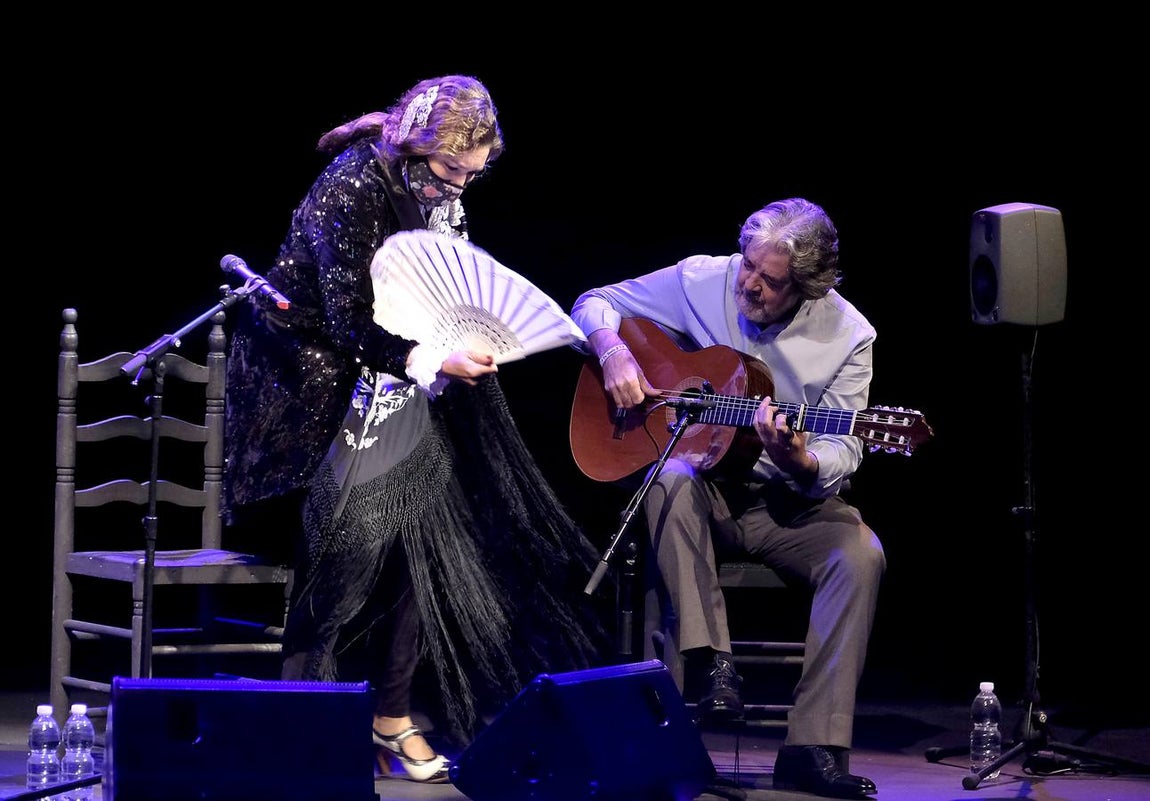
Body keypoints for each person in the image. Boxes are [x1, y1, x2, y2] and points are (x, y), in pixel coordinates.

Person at [223, 75, 610, 784]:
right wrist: (427, 359)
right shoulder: (352, 186)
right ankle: (303, 721)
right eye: (451, 169)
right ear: (413, 147)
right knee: (360, 527)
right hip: (303, 393)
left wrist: (453, 351)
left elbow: (446, 289)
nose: (459, 186)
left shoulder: (440, 196)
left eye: (473, 175)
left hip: (389, 387)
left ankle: (391, 712)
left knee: (439, 522)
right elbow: (343, 321)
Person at [570, 197, 884, 799]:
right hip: (702, 494)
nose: (750, 285)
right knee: (669, 475)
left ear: (807, 289)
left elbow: (843, 451)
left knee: (860, 554)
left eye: (771, 281)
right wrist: (612, 351)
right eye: (749, 266)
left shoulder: (850, 335)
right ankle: (712, 664)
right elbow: (593, 302)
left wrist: (800, 459)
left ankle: (813, 747)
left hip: (786, 502)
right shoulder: (701, 279)